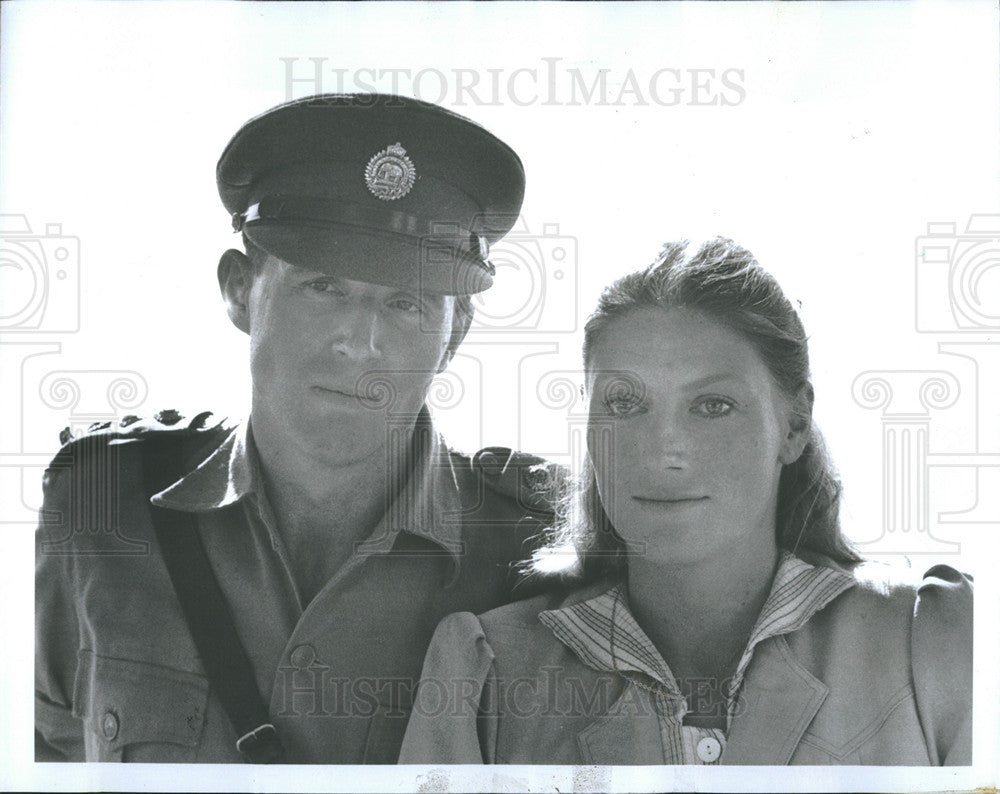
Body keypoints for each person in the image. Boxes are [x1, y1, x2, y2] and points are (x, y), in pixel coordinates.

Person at [34, 94, 562, 763]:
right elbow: (45, 752)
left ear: (455, 334)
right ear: (238, 291)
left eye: (406, 303)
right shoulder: (99, 509)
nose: (359, 341)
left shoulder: (534, 555)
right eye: (323, 287)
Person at [399, 237, 973, 766]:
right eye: (625, 404)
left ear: (794, 424)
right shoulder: (486, 673)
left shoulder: (934, 641)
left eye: (713, 406)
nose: (663, 453)